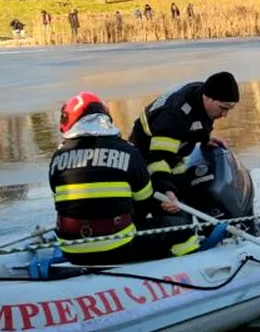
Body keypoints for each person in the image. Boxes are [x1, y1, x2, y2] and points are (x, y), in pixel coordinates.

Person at [49, 92, 172, 265]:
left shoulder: (58, 156)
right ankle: (176, 272)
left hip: (71, 250)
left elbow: (62, 202)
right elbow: (145, 201)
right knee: (180, 226)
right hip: (119, 247)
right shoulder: (129, 152)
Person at [129, 72, 239, 253]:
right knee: (178, 219)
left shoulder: (200, 96)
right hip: (147, 161)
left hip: (173, 157)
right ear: (207, 98)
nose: (225, 115)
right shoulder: (174, 115)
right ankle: (176, 257)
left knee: (189, 198)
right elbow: (157, 159)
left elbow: (196, 123)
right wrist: (167, 191)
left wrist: (205, 138)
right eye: (223, 108)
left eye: (229, 109)